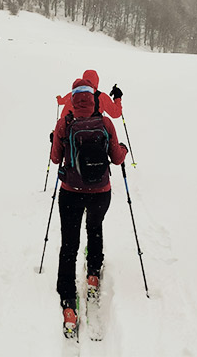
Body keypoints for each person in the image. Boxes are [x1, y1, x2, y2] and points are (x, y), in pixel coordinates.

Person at [50, 76, 128, 336]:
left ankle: (69, 305)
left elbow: (55, 158)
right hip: (100, 193)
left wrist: (55, 139)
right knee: (94, 229)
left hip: (71, 192)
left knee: (69, 246)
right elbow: (116, 158)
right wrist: (124, 150)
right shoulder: (105, 122)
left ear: (74, 99)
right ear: (93, 96)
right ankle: (93, 275)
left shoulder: (66, 122)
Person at [56, 69, 123, 119]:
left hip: (77, 132)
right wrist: (117, 98)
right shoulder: (101, 97)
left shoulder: (74, 94)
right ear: (97, 81)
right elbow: (116, 113)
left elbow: (62, 108)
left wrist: (59, 98)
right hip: (96, 133)